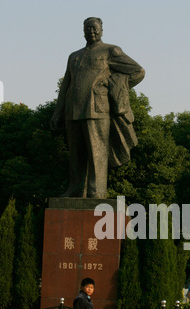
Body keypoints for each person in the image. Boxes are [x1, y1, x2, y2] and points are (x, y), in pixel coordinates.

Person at [50, 17, 145, 198]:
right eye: (88, 28)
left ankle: (96, 191)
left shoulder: (110, 51)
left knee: (97, 152)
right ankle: (76, 188)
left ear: (102, 30)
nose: (91, 31)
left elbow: (138, 71)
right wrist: (57, 112)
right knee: (76, 154)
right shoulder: (74, 56)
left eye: (94, 28)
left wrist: (113, 85)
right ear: (83, 31)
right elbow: (65, 86)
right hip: (73, 109)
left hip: (97, 108)